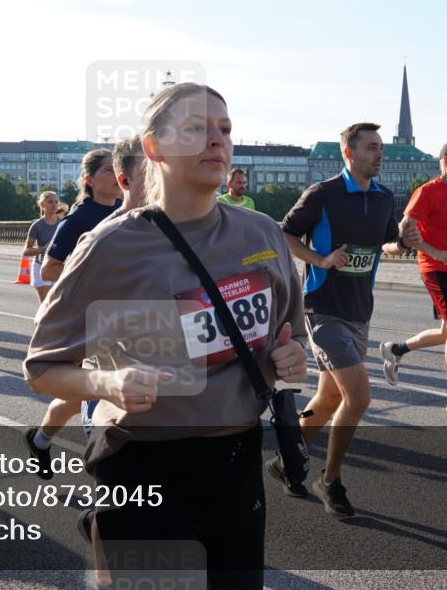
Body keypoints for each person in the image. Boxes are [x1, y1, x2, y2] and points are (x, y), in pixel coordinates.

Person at [24, 84, 308, 589]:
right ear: (152, 148)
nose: (217, 141)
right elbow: (42, 368)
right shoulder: (111, 246)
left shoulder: (262, 234)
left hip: (237, 461)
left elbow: (289, 338)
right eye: (196, 128)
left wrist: (289, 357)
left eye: (224, 129)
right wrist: (107, 386)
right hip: (142, 464)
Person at [273, 122, 415, 518]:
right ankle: (330, 479)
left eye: (381, 148)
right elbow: (284, 234)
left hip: (359, 310)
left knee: (330, 397)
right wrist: (320, 259)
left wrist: (403, 242)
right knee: (359, 397)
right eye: (371, 147)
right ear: (348, 154)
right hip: (323, 308)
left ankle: (286, 461)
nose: (379, 154)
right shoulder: (324, 194)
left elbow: (386, 242)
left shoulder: (386, 197)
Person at [24, 137, 142, 479]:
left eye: (116, 169)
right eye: (107, 170)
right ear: (89, 179)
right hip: (92, 322)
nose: (115, 175)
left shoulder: (131, 211)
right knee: (97, 396)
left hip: (130, 320)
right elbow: (49, 269)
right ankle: (109, 488)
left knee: (78, 397)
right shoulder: (79, 219)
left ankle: (41, 439)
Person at [380, 141, 447, 418]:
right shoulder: (427, 192)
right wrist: (435, 252)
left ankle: (396, 349)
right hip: (434, 267)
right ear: (446, 161)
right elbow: (406, 230)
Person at [39, 149, 122, 283]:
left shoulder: (125, 208)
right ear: (89, 180)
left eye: (119, 168)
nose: (118, 174)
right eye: (110, 170)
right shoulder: (78, 218)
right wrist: (97, 275)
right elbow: (47, 271)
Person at [23, 191, 61, 302]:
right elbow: (26, 251)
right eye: (50, 202)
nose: (54, 205)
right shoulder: (37, 226)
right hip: (41, 267)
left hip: (58, 267)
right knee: (46, 305)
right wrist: (42, 249)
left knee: (58, 306)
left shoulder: (63, 224)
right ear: (42, 205)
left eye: (56, 202)